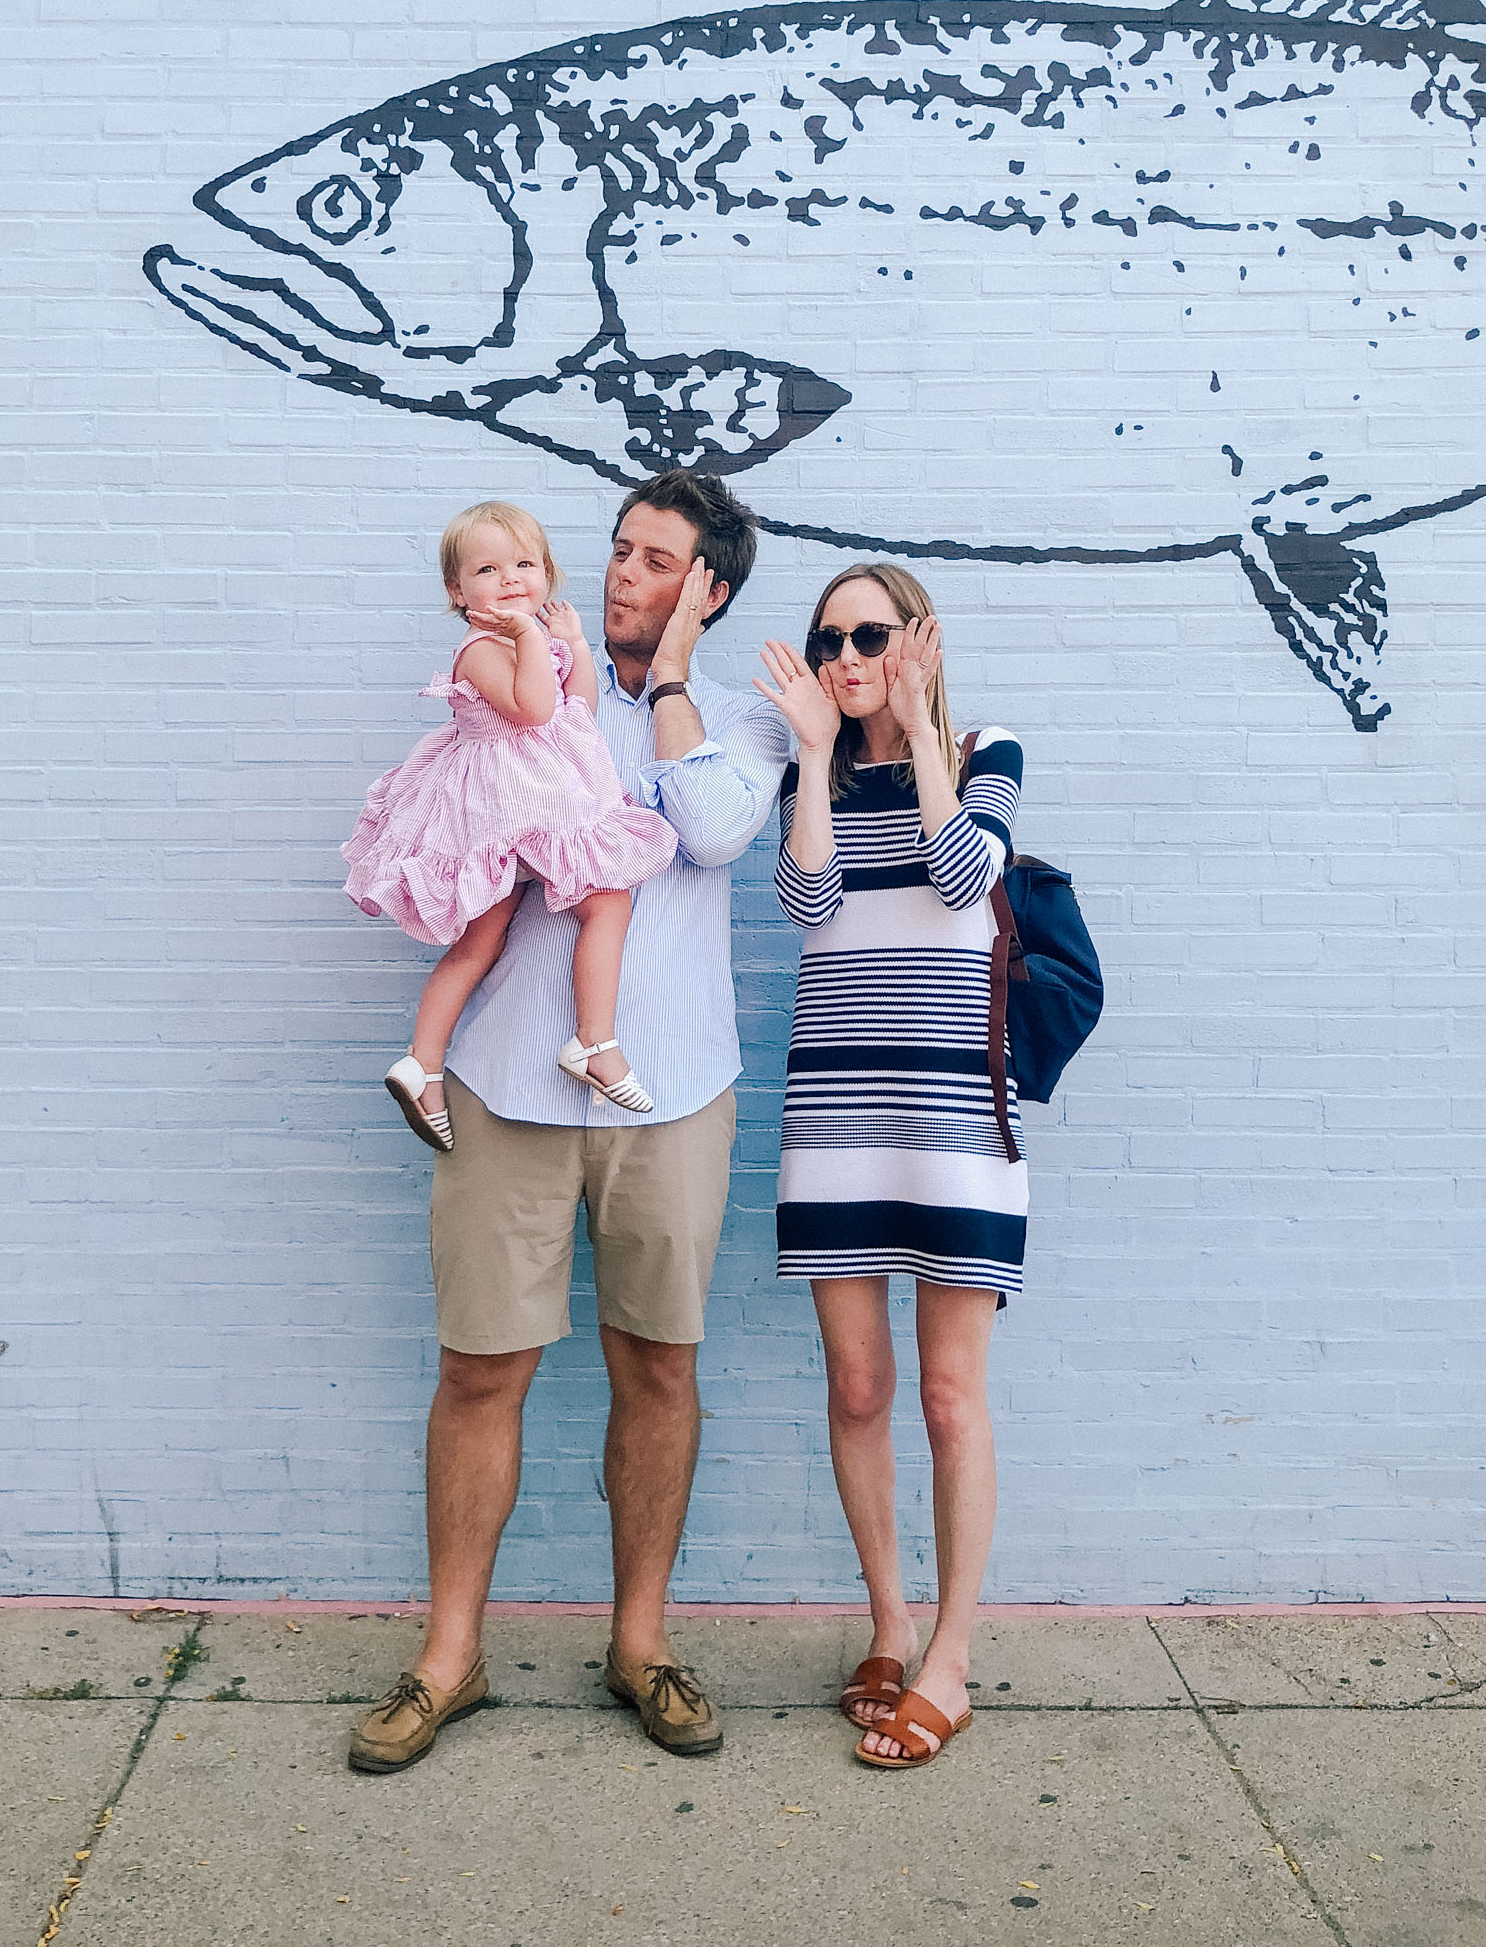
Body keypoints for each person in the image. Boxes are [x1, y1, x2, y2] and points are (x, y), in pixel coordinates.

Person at [347, 472, 790, 1777]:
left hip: (676, 1092)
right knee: (482, 1370)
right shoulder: (535, 691)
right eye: (617, 551)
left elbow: (707, 831)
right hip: (508, 1091)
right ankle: (450, 1658)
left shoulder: (743, 725)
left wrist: (672, 680)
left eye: (658, 562)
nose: (619, 575)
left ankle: (639, 1646)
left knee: (659, 1367)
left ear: (708, 588)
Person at [752, 562, 1026, 1773]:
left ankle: (951, 1664)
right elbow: (805, 899)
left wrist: (918, 732)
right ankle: (888, 1625)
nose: (848, 654)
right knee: (858, 1389)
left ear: (917, 636)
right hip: (836, 1113)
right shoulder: (803, 766)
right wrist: (814, 755)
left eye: (871, 633)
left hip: (955, 1119)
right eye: (830, 639)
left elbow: (965, 877)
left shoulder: (987, 747)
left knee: (947, 1397)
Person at [343, 500, 679, 1148]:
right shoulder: (478, 649)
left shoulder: (532, 642)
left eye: (525, 564)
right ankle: (578, 1044)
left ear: (548, 575)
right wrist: (530, 638)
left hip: (532, 799)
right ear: (458, 590)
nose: (511, 579)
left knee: (535, 925)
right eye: (489, 569)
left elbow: (576, 710)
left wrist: (574, 645)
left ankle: (439, 1063)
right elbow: (531, 711)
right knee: (559, 917)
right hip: (509, 807)